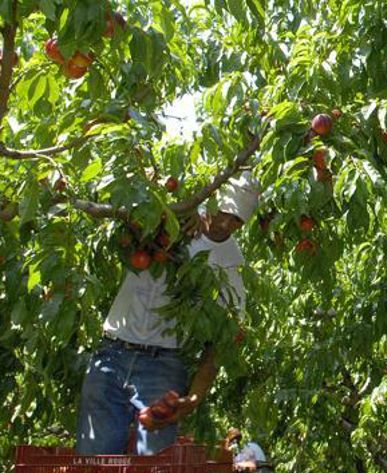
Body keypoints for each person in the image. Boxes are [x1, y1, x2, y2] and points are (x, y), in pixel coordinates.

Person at [75, 171, 259, 456]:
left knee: (153, 470)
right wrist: (170, 208)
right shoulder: (169, 221)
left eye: (236, 220)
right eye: (223, 212)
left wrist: (194, 397)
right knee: (94, 462)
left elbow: (220, 343)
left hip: (162, 364)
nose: (225, 224)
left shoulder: (230, 268)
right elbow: (130, 204)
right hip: (111, 353)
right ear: (210, 201)